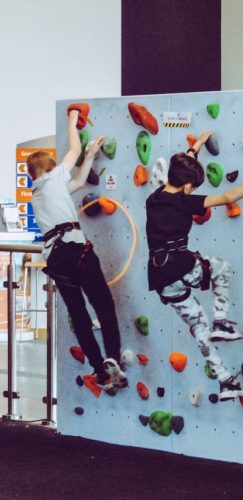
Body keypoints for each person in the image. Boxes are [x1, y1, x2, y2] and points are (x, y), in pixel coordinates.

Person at [145, 132, 243, 401]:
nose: (193, 190)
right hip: (181, 265)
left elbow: (180, 169)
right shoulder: (185, 200)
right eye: (192, 186)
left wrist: (194, 149)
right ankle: (222, 321)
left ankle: (225, 380)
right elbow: (228, 197)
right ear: (186, 187)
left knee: (197, 326)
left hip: (160, 277)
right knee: (222, 267)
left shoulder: (155, 197)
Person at [28, 109, 127, 393]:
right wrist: (72, 119)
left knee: (80, 315)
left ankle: (101, 371)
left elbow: (79, 182)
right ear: (50, 167)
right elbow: (74, 149)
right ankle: (113, 357)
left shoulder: (41, 191)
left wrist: (92, 155)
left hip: (56, 260)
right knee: (104, 306)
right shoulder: (53, 177)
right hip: (74, 249)